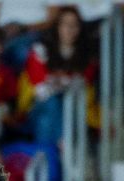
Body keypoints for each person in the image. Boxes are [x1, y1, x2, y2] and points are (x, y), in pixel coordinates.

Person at [22, 4, 98, 145]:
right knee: (52, 102)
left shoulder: (87, 54)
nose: (70, 29)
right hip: (38, 107)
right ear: (57, 26)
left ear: (80, 28)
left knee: (45, 122)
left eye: (74, 25)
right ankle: (64, 143)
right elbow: (41, 90)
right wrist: (66, 81)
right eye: (65, 24)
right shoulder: (40, 50)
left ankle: (50, 154)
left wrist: (57, 81)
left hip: (71, 108)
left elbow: (83, 84)